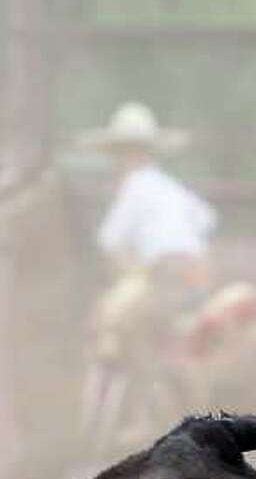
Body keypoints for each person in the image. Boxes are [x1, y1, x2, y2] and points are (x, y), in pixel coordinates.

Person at [80, 100, 216, 365]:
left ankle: (112, 362)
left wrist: (127, 272)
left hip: (162, 277)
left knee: (109, 316)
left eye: (118, 154)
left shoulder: (134, 185)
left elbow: (108, 242)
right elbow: (207, 220)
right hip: (197, 278)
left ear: (123, 154)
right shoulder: (170, 187)